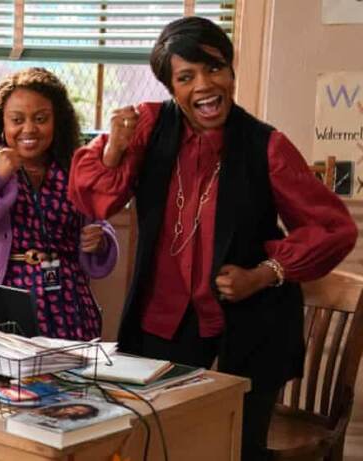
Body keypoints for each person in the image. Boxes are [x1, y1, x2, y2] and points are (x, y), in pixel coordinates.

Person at [67, 17, 357, 460]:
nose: (204, 84)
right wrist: (113, 150)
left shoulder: (268, 146)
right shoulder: (145, 126)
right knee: (157, 443)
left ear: (231, 72)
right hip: (163, 323)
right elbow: (96, 200)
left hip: (254, 326)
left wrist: (265, 273)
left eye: (215, 68)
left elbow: (334, 228)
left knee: (240, 448)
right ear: (170, 86)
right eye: (186, 76)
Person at [0, 67, 119, 341]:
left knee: (69, 380)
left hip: (68, 303)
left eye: (41, 119)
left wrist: (101, 240)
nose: (29, 129)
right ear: (2, 121)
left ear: (56, 120)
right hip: (1, 300)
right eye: (17, 119)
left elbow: (98, 221)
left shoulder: (73, 160)